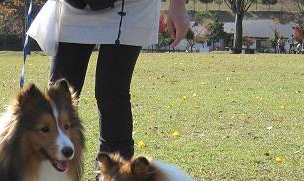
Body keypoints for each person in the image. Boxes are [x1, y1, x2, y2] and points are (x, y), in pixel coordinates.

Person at [30, 0, 189, 161]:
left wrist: (177, 5)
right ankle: (53, 172)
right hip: (74, 6)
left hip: (131, 7)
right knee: (59, 95)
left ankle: (114, 176)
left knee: (111, 92)